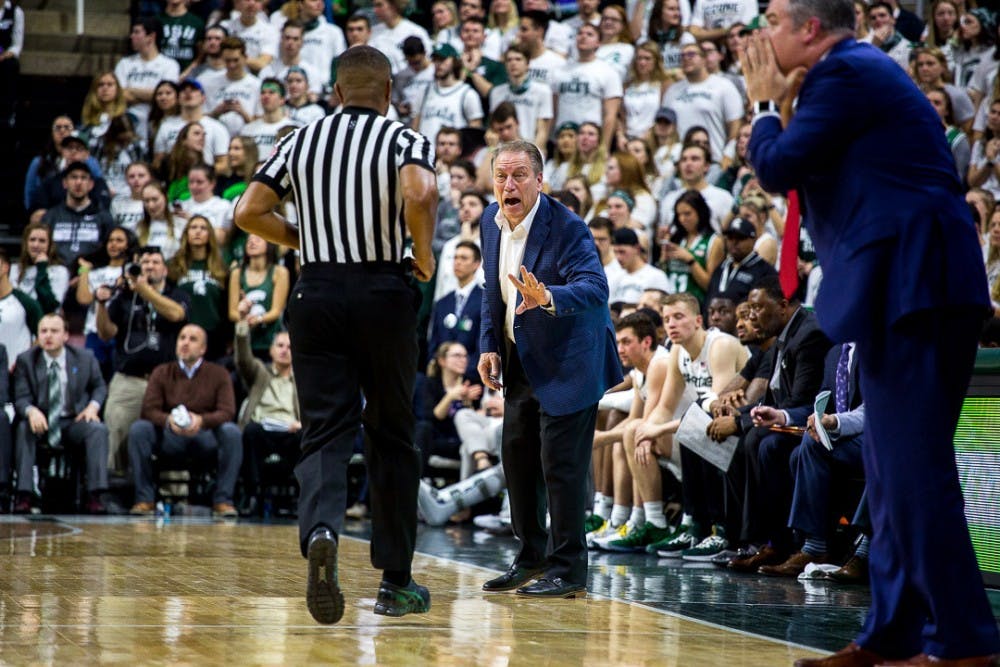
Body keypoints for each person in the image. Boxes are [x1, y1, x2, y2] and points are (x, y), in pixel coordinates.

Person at [742, 1, 1000, 664]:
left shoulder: (847, 72)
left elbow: (777, 164)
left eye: (772, 19)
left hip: (921, 286)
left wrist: (766, 108)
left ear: (809, 28)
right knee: (889, 475)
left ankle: (965, 641)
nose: (760, 35)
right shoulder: (843, 78)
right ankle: (892, 633)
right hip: (902, 288)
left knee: (916, 471)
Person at [234, 45, 438, 624]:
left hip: (316, 292)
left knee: (324, 429)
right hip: (383, 291)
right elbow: (421, 194)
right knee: (393, 433)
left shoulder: (299, 139)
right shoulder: (403, 138)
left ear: (338, 91)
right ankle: (395, 582)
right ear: (389, 92)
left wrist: (305, 241)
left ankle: (322, 527)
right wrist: (421, 254)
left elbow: (249, 211)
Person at [477, 140, 621, 598]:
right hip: (521, 359)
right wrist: (488, 345)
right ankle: (531, 556)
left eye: (520, 175)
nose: (509, 184)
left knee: (560, 467)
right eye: (501, 176)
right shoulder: (489, 221)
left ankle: (568, 569)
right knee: (517, 462)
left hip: (570, 360)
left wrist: (550, 297)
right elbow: (491, 289)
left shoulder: (568, 226)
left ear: (540, 181)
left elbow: (596, 287)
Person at [127, 324, 241, 517]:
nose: (185, 343)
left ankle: (223, 501)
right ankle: (144, 499)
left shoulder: (218, 373)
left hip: (205, 436)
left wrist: (202, 420)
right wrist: (167, 420)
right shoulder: (162, 372)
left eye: (192, 339)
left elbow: (227, 411)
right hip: (170, 437)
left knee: (232, 432)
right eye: (182, 338)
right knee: (139, 429)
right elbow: (148, 409)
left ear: (203, 348)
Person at [96, 246, 190, 474]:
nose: (149, 266)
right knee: (116, 428)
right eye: (145, 262)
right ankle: (115, 486)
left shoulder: (177, 294)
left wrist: (144, 290)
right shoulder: (124, 296)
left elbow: (176, 314)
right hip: (130, 378)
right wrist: (101, 304)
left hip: (168, 381)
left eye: (155, 262)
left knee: (175, 433)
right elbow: (106, 333)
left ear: (165, 269)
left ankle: (172, 496)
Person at [12, 314, 110, 515]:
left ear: (66, 335)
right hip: (41, 421)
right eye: (43, 331)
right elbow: (20, 397)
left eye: (54, 331)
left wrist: (93, 406)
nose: (48, 336)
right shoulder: (26, 360)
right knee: (23, 427)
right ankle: (24, 494)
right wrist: (31, 411)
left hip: (72, 421)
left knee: (97, 430)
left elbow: (100, 386)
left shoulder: (85, 358)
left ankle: (95, 495)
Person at [9, 222, 70, 315]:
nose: (36, 245)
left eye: (42, 241)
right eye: (32, 240)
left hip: (46, 323)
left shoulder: (60, 271)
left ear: (50, 245)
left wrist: (42, 268)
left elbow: (50, 306)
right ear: (26, 243)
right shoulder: (14, 269)